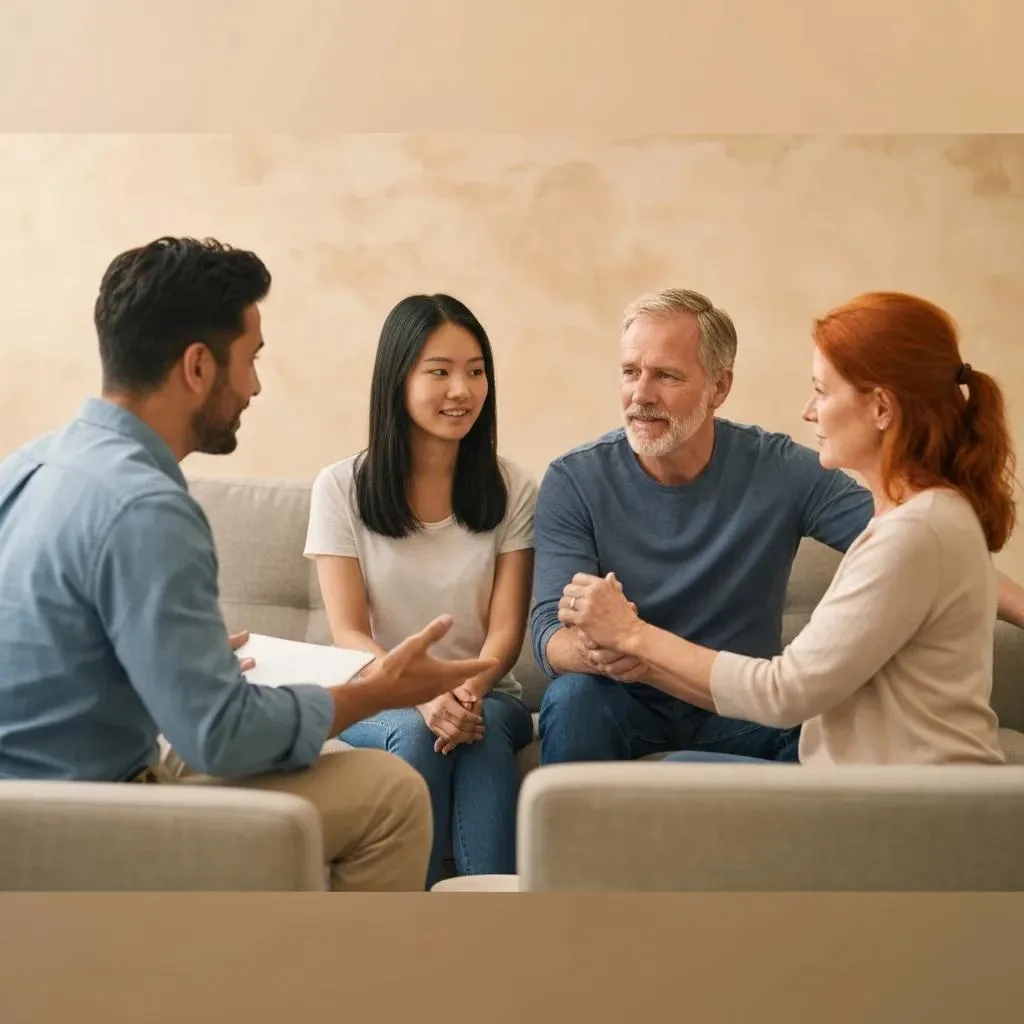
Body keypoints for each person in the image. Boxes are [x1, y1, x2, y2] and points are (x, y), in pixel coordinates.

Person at [0, 237, 499, 892]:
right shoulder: (147, 508)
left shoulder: (30, 466)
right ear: (199, 367)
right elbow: (222, 739)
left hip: (31, 801)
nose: (257, 385)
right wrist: (374, 693)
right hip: (84, 824)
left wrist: (178, 667)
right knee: (391, 796)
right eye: (251, 359)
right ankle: (350, 993)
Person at [531, 287, 1024, 766]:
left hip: (750, 709)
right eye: (629, 372)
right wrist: (601, 651)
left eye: (666, 375)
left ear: (719, 386)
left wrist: (632, 635)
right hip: (631, 697)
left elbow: (786, 691)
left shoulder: (897, 524)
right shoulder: (576, 478)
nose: (640, 394)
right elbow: (549, 628)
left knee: (763, 738)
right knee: (577, 700)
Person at [304, 293, 536, 889]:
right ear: (398, 378)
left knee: (479, 738)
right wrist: (418, 695)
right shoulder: (339, 488)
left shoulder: (513, 487)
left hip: (487, 694)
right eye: (439, 371)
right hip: (378, 696)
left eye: (476, 371)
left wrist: (462, 693)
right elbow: (349, 632)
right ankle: (403, 940)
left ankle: (495, 943)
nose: (462, 389)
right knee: (412, 730)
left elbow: (506, 632)